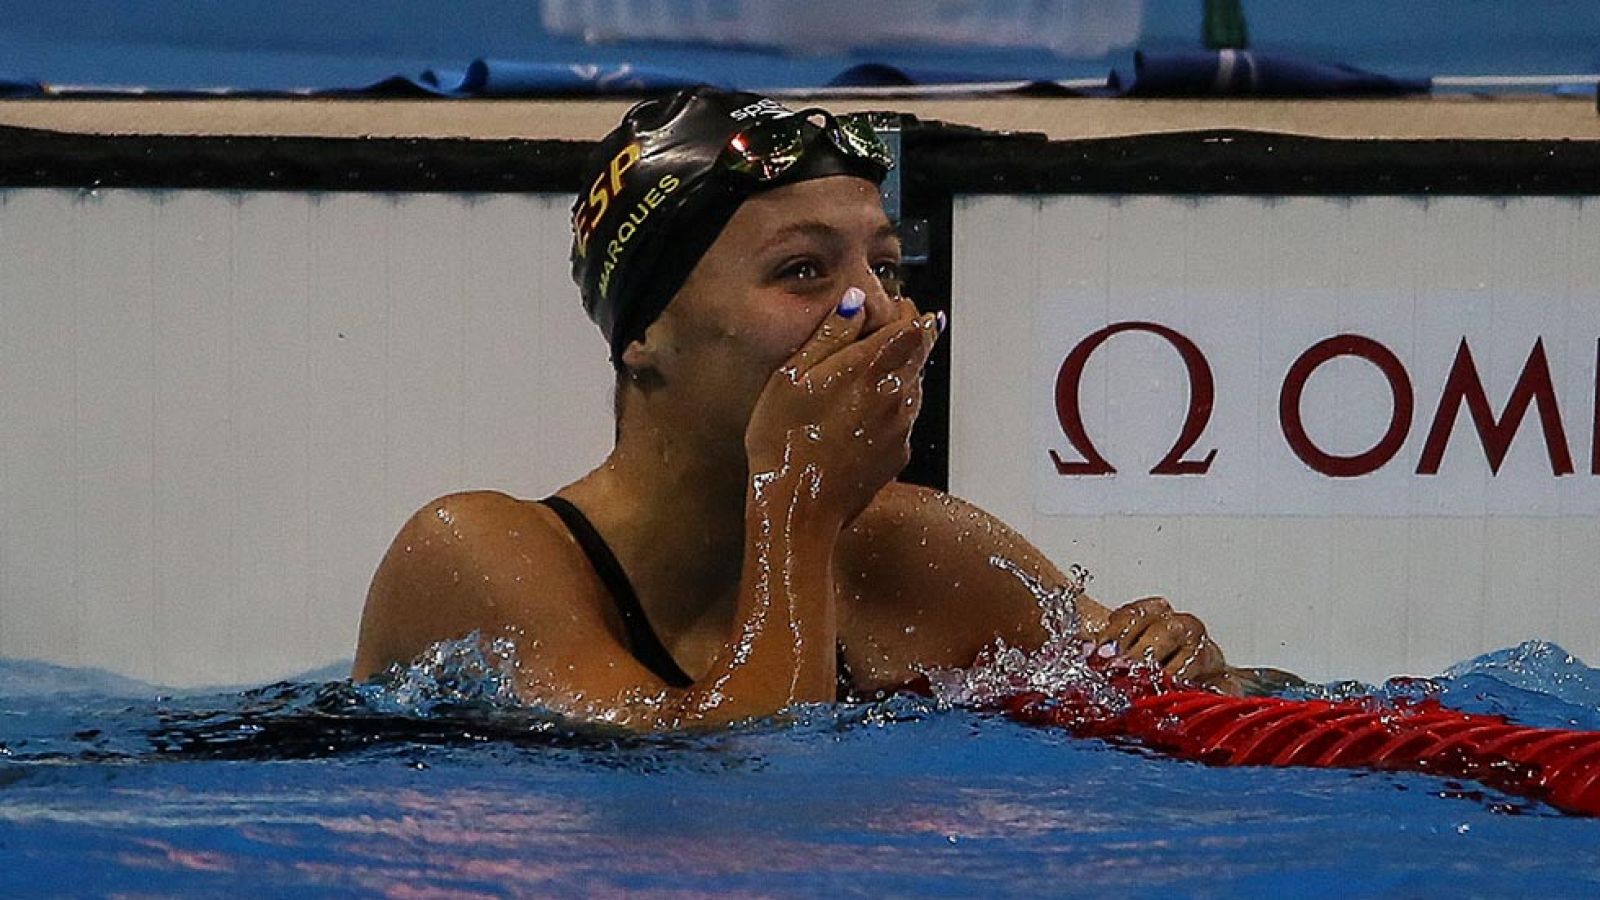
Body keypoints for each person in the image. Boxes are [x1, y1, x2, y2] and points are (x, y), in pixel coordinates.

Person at [352, 87, 1247, 729]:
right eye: (803, 271)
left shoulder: (914, 548)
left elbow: (1232, 705)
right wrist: (798, 501)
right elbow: (740, 796)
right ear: (644, 333)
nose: (878, 311)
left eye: (885, 268)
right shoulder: (474, 556)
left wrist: (1189, 664)